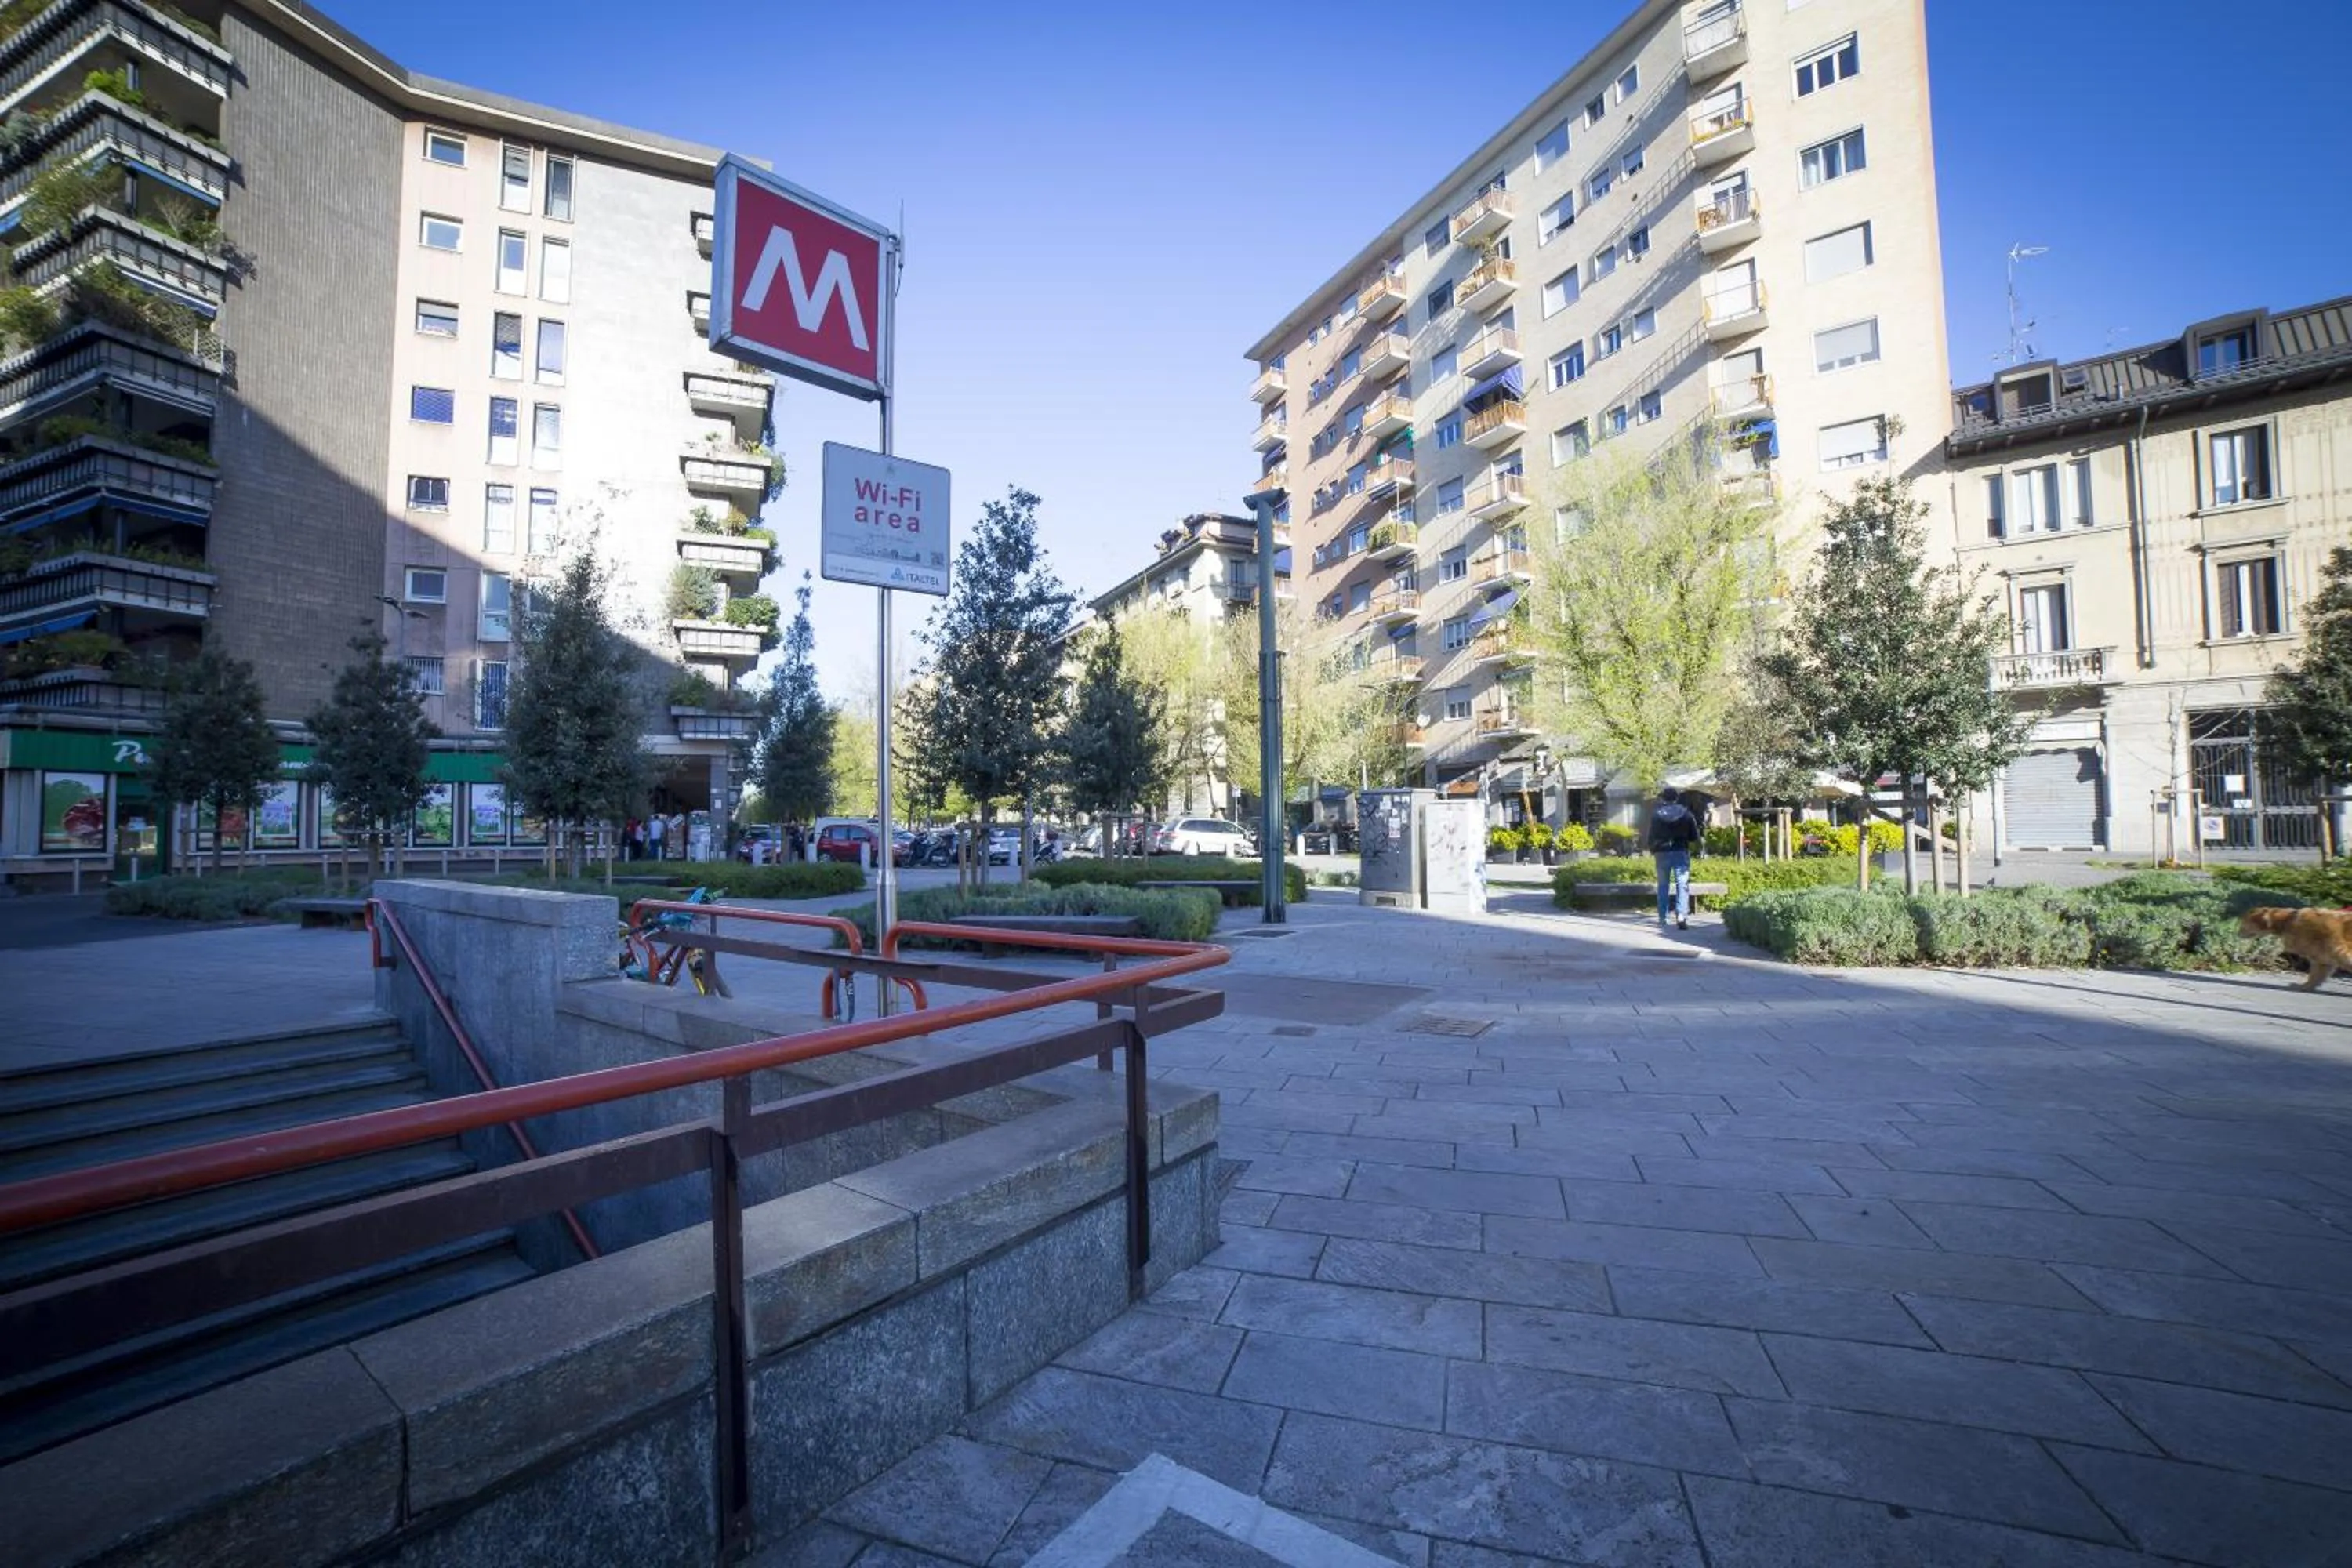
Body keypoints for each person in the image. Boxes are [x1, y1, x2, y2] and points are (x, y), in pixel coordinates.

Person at [1645, 785, 1701, 931]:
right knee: (1682, 884)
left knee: (1663, 885)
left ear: (1663, 798)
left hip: (1662, 852)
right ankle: (1681, 915)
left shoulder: (1656, 815)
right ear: (1677, 798)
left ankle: (1663, 917)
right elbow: (1694, 836)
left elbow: (1651, 836)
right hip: (1680, 851)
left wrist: (1653, 849)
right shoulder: (1687, 814)